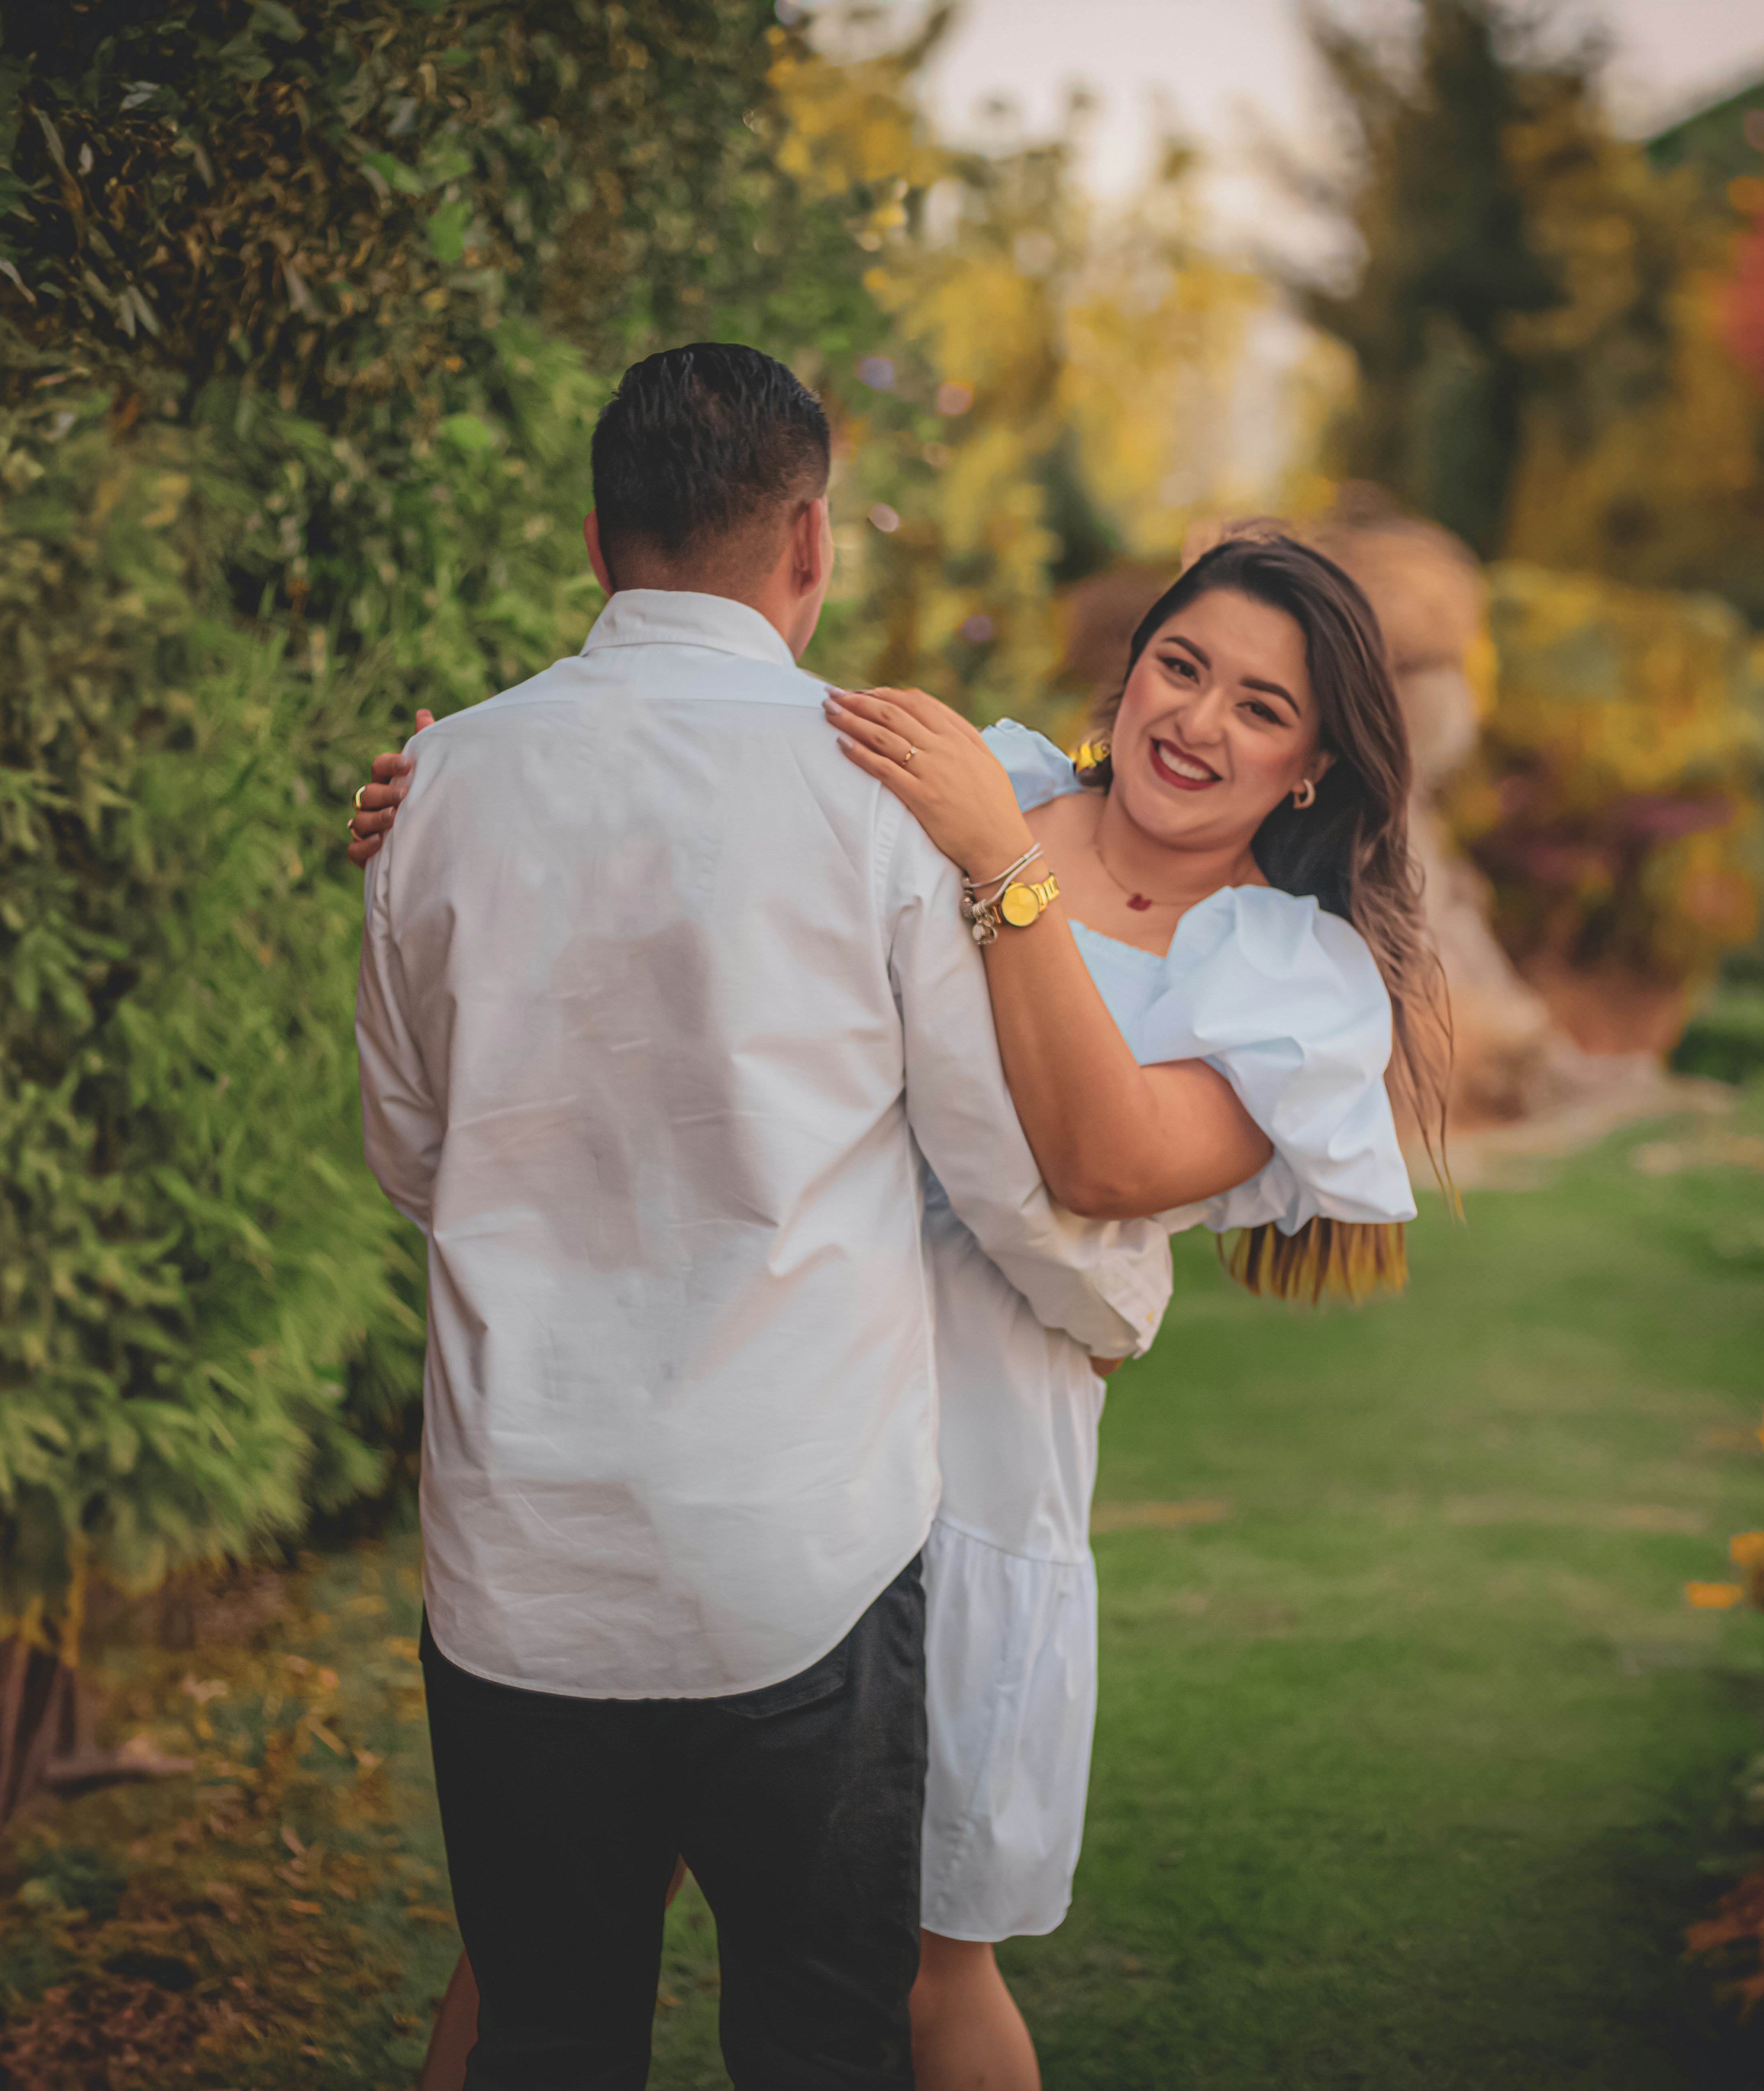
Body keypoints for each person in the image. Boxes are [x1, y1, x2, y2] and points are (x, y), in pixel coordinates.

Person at [354, 530, 1458, 2089]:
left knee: (930, 1972)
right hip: (731, 1420)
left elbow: (1098, 1160)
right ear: (1130, 666)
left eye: (1262, 709)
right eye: (1183, 664)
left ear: (1313, 766)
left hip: (972, 1482)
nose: (1199, 721)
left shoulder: (1290, 973)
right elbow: (681, 799)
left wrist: (1004, 873)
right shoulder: (965, 772)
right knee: (538, 1944)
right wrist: (457, 807)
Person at [352, 341, 1170, 2091]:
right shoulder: (873, 790)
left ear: (595, 542)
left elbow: (414, 1157)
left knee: (547, 2037)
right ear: (810, 544)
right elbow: (990, 1163)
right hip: (794, 1554)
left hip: (519, 1561)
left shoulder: (434, 794)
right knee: (819, 2043)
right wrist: (1112, 1302)